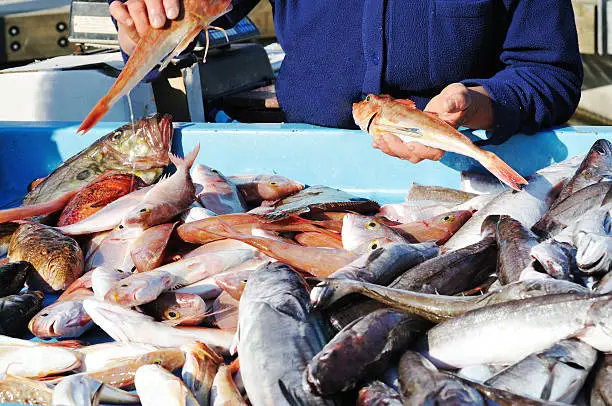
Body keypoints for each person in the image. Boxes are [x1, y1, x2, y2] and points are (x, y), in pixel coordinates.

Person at [108, 0, 583, 164]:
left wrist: (483, 103)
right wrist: (145, 26)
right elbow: (193, 15)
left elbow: (550, 74)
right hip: (304, 166)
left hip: (464, 165)